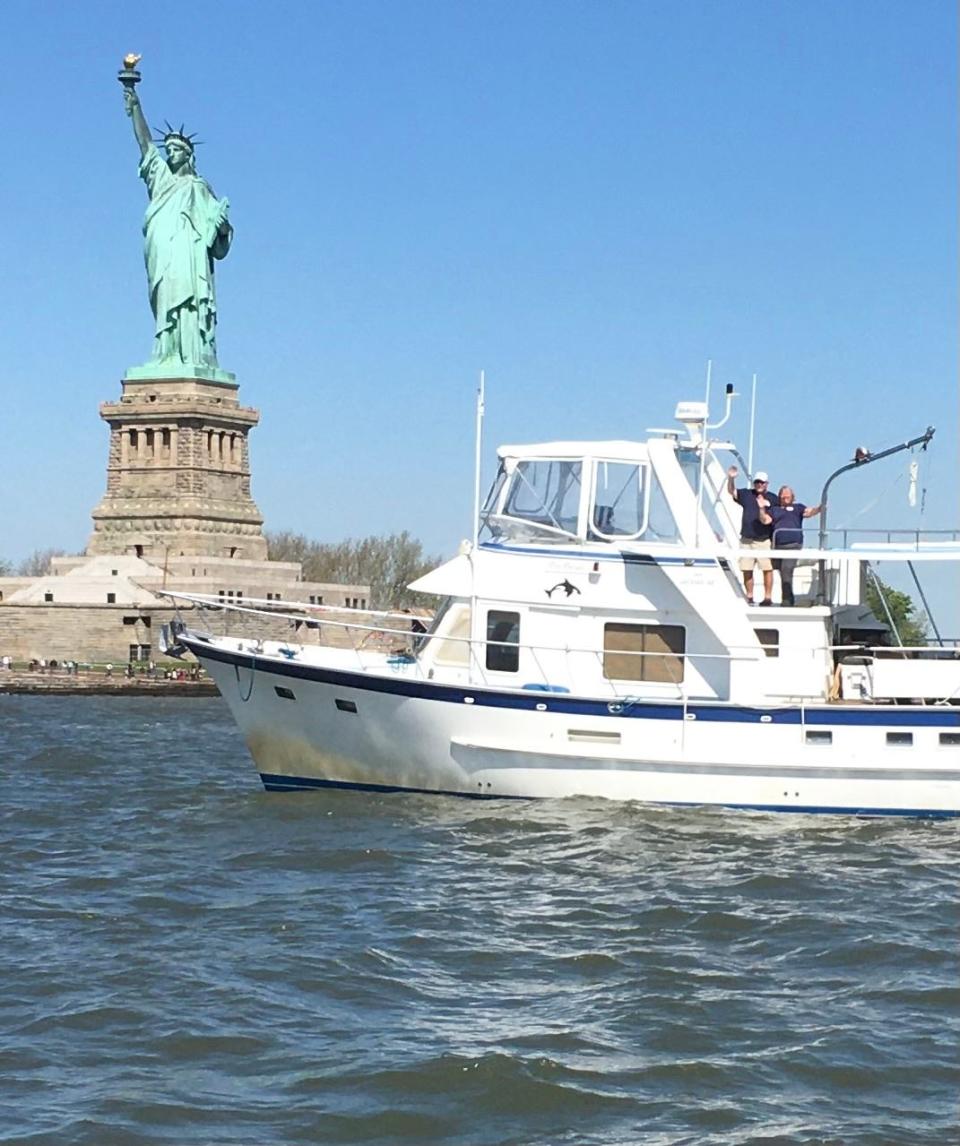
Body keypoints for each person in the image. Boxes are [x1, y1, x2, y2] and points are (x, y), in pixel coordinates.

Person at [122, 82, 232, 369]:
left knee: (191, 302)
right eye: (168, 149)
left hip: (190, 253)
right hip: (162, 249)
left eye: (176, 149)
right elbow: (145, 143)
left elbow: (220, 240)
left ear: (188, 154)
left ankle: (193, 355)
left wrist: (220, 227)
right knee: (165, 298)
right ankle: (166, 352)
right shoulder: (160, 179)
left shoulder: (199, 187)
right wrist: (135, 105)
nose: (171, 153)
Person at [759, 487, 822, 606]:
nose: (785, 497)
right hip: (777, 546)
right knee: (777, 569)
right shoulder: (774, 510)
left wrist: (819, 509)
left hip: (793, 545)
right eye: (783, 495)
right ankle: (781, 596)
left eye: (787, 495)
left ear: (792, 497)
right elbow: (765, 520)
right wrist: (761, 509)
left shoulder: (798, 508)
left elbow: (809, 512)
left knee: (786, 570)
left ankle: (787, 600)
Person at [726, 466, 780, 605]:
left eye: (762, 482)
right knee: (747, 569)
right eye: (757, 482)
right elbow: (732, 491)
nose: (759, 485)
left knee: (767, 569)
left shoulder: (773, 499)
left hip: (763, 539)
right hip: (747, 539)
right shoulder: (746, 494)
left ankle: (767, 597)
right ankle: (749, 596)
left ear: (767, 484)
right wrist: (731, 478)